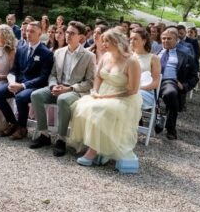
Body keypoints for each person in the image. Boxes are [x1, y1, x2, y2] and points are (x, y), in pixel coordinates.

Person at [66, 30, 142, 166]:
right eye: (104, 40)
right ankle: (95, 146)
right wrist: (95, 91)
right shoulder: (106, 56)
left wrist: (107, 96)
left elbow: (133, 90)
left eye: (107, 41)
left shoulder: (131, 62)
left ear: (117, 42)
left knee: (98, 110)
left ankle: (93, 152)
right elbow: (98, 77)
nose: (104, 44)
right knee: (81, 106)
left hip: (122, 97)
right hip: (102, 93)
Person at [30, 21, 95, 156]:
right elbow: (52, 74)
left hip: (75, 91)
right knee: (36, 95)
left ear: (81, 37)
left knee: (63, 100)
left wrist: (69, 88)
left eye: (72, 33)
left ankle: (61, 139)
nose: (68, 35)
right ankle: (44, 134)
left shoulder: (89, 56)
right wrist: (53, 85)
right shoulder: (58, 52)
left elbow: (89, 82)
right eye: (67, 32)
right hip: (58, 86)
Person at [0, 22, 53, 140]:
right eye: (27, 31)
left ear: (40, 33)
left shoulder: (47, 53)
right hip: (18, 83)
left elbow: (43, 77)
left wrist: (23, 85)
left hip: (34, 86)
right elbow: (14, 70)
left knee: (20, 97)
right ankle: (13, 122)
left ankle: (22, 128)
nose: (28, 33)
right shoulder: (21, 49)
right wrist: (12, 81)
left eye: (32, 31)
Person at [158, 27, 198, 139]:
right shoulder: (156, 52)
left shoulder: (185, 56)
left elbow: (195, 76)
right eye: (163, 38)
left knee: (171, 94)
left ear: (176, 40)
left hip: (169, 81)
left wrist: (184, 86)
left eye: (169, 39)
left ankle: (170, 127)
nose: (165, 41)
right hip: (151, 80)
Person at [130, 27, 161, 111]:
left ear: (144, 41)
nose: (132, 41)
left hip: (145, 91)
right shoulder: (128, 56)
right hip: (128, 89)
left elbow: (155, 83)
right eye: (131, 39)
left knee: (129, 97)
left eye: (135, 39)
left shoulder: (154, 58)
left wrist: (138, 88)